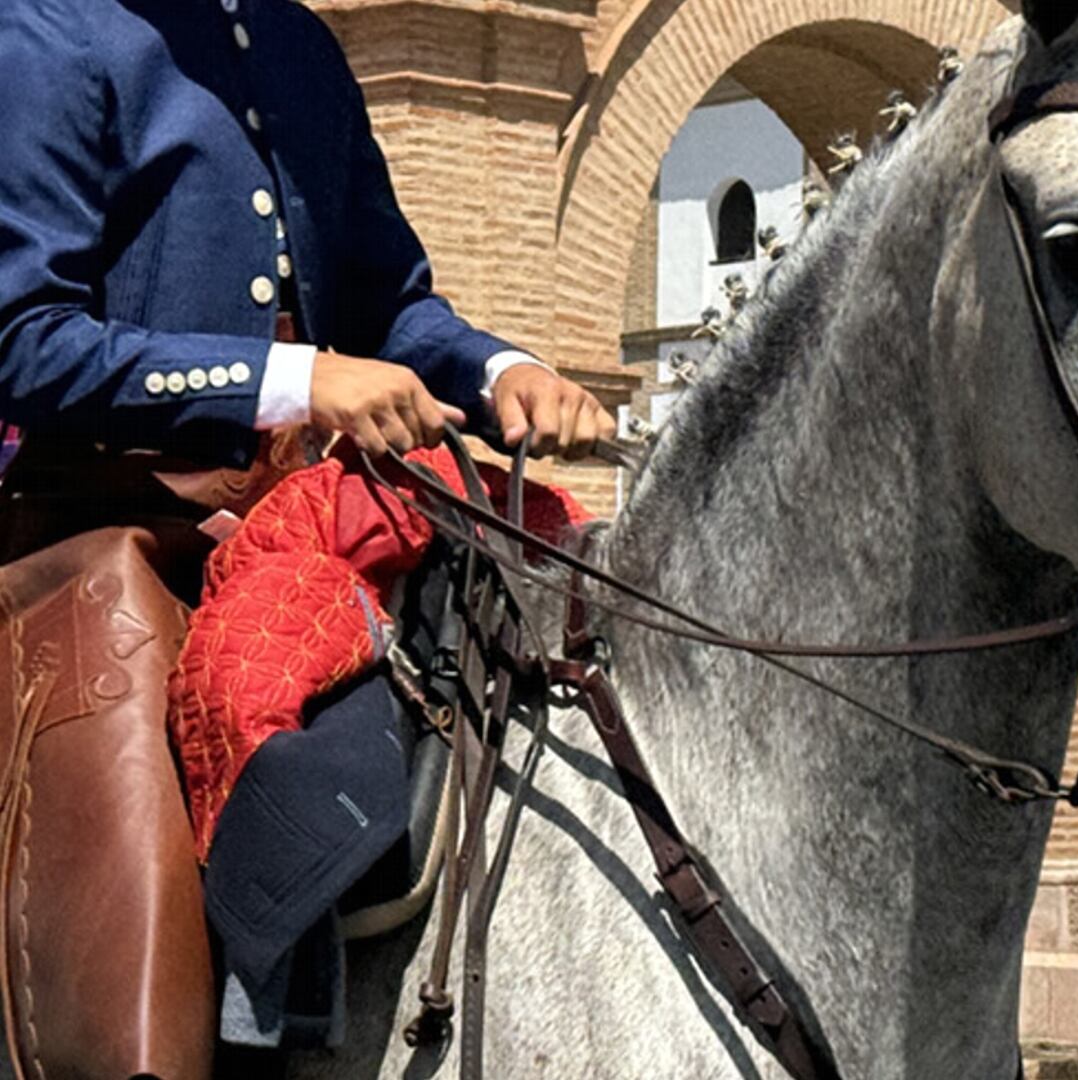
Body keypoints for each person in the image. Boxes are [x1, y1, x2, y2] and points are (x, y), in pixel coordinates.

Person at [0, 0, 615, 1073]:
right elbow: (24, 342)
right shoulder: (49, 32)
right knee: (134, 921)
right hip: (101, 532)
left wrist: (502, 371)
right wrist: (292, 382)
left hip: (302, 539)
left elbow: (393, 307)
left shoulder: (297, 45)